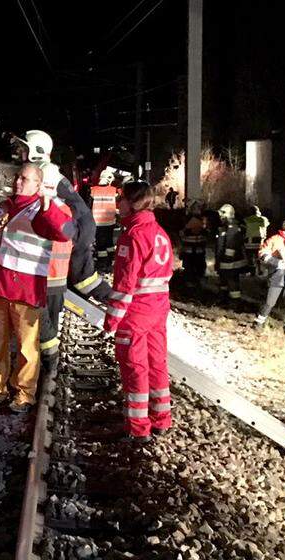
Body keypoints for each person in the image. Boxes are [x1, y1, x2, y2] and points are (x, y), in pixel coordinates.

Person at [11, 130, 110, 368]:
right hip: (80, 229)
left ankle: (120, 303)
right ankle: (118, 301)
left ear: (35, 151)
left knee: (81, 281)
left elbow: (40, 208)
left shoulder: (44, 173)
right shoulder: (49, 169)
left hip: (74, 234)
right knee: (85, 281)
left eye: (24, 148)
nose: (20, 153)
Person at [0, 162, 75, 413]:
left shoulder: (41, 208)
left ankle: (24, 395)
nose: (17, 182)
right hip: (2, 285)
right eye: (17, 178)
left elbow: (64, 232)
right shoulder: (10, 206)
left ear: (38, 184)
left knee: (26, 346)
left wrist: (48, 205)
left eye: (24, 179)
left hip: (26, 288)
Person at [103, 181, 174, 443]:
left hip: (137, 313)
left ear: (133, 203)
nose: (117, 204)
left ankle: (138, 428)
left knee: (135, 368)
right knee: (157, 364)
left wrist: (112, 319)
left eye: (121, 199)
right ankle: (162, 419)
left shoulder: (132, 235)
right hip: (158, 308)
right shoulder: (158, 232)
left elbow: (124, 283)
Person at [214, 204, 248, 302]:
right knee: (223, 281)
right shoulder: (224, 227)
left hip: (231, 262)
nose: (221, 218)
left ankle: (235, 303)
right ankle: (223, 299)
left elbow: (231, 244)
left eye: (222, 216)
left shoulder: (232, 227)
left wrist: (225, 259)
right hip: (224, 261)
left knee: (232, 282)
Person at [90, 168, 119, 264]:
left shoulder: (93, 190)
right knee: (109, 241)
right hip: (110, 221)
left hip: (97, 222)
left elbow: (89, 205)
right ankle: (111, 259)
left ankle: (102, 261)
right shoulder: (114, 191)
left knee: (100, 243)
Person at [179, 202, 209, 287]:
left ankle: (193, 284)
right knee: (195, 268)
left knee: (193, 268)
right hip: (195, 250)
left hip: (192, 250)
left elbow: (182, 234)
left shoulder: (189, 220)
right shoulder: (198, 221)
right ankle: (195, 284)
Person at [242, 205, 270, 274]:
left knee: (250, 256)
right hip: (258, 240)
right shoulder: (262, 219)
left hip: (248, 240)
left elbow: (243, 229)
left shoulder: (246, 220)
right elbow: (265, 226)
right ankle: (260, 269)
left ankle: (252, 271)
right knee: (258, 255)